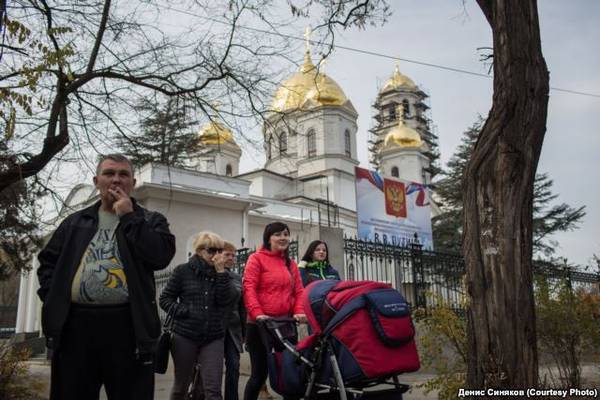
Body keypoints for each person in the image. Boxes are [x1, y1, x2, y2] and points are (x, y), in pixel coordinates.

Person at [37, 154, 176, 400]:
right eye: (109, 173)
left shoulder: (150, 220)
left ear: (132, 182)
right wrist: (53, 297)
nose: (116, 180)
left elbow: (160, 256)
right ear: (96, 180)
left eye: (123, 174)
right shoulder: (74, 223)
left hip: (128, 328)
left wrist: (129, 217)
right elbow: (48, 261)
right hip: (75, 327)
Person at [159, 231, 235, 400]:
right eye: (211, 250)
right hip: (185, 335)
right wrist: (185, 311)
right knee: (181, 387)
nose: (216, 255)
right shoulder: (183, 271)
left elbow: (225, 301)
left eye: (219, 251)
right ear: (200, 251)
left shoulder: (223, 274)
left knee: (213, 389)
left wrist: (221, 273)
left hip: (213, 337)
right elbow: (165, 299)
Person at [242, 222, 306, 400]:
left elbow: (299, 291)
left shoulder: (290, 263)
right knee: (259, 375)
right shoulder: (256, 258)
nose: (283, 237)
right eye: (278, 234)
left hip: (285, 324)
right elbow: (249, 288)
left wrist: (299, 311)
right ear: (268, 238)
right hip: (259, 325)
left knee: (289, 372)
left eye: (286, 234)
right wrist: (258, 314)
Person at [222, 241, 246, 400]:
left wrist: (244, 332)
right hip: (214, 329)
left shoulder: (237, 278)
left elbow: (242, 306)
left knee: (234, 367)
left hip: (233, 329)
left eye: (233, 255)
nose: (231, 258)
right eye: (227, 254)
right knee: (212, 369)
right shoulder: (210, 275)